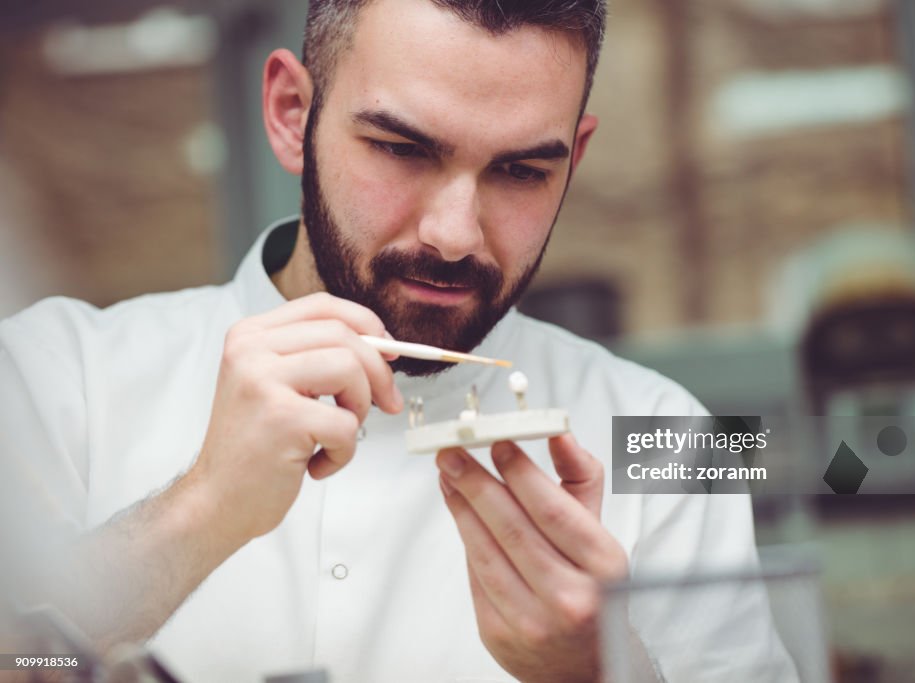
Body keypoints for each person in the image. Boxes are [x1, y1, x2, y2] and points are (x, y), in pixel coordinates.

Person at [0, 0, 796, 681]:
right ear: (290, 113)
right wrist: (196, 512)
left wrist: (604, 668)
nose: (454, 235)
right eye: (403, 149)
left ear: (573, 159)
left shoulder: (670, 435)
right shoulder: (54, 376)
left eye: (521, 171)